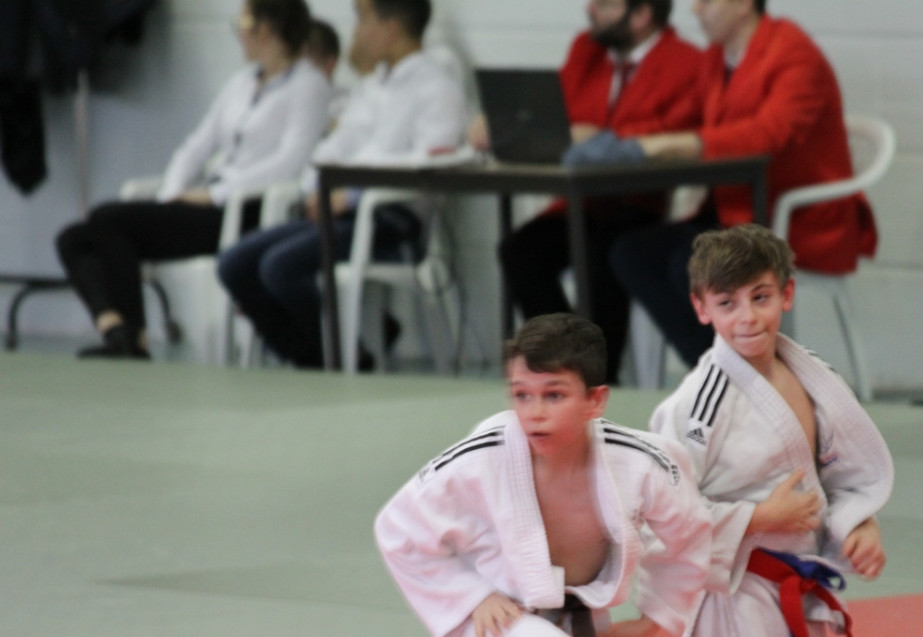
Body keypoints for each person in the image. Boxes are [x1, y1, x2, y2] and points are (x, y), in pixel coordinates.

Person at [375, 313, 711, 637]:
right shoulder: (484, 455)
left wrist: (653, 618)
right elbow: (398, 530)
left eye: (554, 395)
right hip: (493, 618)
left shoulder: (639, 462)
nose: (534, 412)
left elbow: (691, 534)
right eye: (521, 395)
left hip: (582, 622)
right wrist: (472, 595)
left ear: (595, 401)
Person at [649, 224, 893, 637]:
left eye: (760, 297)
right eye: (727, 303)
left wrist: (859, 523)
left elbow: (840, 475)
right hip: (732, 591)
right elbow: (662, 510)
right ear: (701, 308)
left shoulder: (814, 375)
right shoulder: (699, 403)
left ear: (786, 293)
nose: (747, 317)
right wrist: (757, 518)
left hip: (785, 584)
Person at [55, 0, 331, 359]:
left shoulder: (309, 85)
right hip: (204, 201)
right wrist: (172, 195)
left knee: (108, 220)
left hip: (246, 208)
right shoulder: (242, 82)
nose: (238, 34)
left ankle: (134, 340)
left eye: (242, 23)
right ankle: (116, 330)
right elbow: (196, 146)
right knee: (73, 239)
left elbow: (289, 164)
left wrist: (214, 195)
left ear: (265, 29)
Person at [610, 0, 879, 367]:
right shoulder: (715, 58)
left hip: (795, 219)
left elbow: (769, 134)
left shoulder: (794, 53)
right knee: (632, 253)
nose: (696, 10)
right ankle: (719, 369)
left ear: (742, 4)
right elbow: (681, 120)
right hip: (733, 210)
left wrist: (690, 144)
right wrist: (618, 140)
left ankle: (732, 374)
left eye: (706, 1)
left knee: (689, 262)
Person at [217, 0, 466, 369]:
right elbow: (334, 148)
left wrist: (350, 196)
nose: (356, 31)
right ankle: (323, 358)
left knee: (279, 267)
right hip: (339, 213)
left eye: (363, 20)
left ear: (391, 27)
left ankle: (339, 356)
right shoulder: (372, 86)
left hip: (391, 221)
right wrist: (314, 189)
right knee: (235, 264)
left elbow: (427, 166)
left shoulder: (436, 88)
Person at [495, 0, 704, 384]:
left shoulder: (688, 61)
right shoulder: (586, 50)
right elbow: (556, 118)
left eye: (605, 4)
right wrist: (504, 126)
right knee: (520, 251)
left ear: (641, 15)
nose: (590, 9)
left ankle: (598, 378)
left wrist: (602, 139)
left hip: (637, 202)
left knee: (604, 255)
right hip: (580, 201)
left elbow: (674, 129)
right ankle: (563, 364)